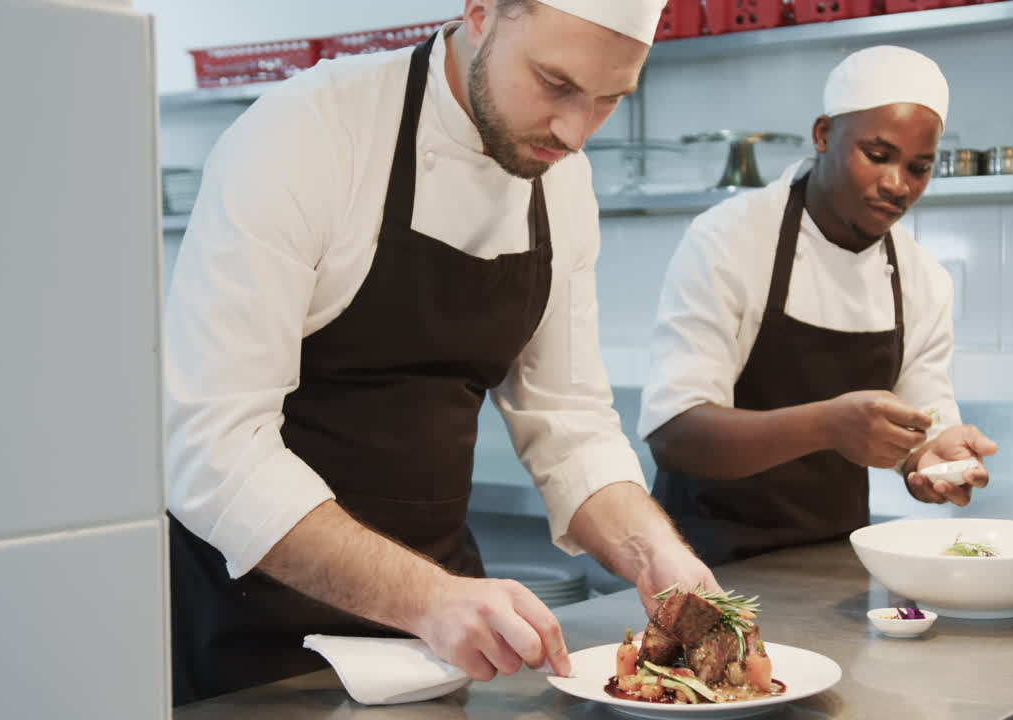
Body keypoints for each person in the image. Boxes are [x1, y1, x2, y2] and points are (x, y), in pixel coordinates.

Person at [163, 0, 717, 704]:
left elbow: (568, 423)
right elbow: (213, 451)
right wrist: (427, 596)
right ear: (481, 13)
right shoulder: (307, 134)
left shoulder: (561, 179)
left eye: (610, 99)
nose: (576, 132)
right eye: (556, 83)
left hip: (436, 644)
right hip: (254, 641)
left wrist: (657, 555)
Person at [640, 46, 1000, 567]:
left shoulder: (923, 281)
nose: (897, 184)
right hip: (701, 565)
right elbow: (676, 435)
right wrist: (828, 425)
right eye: (877, 155)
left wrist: (935, 461)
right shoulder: (731, 239)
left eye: (919, 167)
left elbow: (924, 426)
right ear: (824, 135)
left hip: (834, 566)